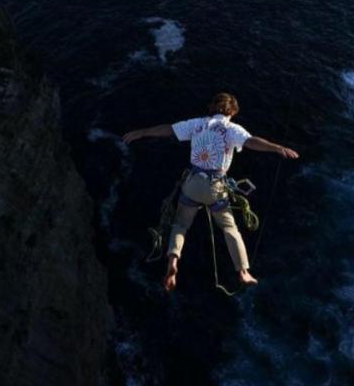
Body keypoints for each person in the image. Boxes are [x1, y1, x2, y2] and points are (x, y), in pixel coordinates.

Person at [123, 92, 299, 292]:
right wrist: (277, 148)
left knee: (180, 225)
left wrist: (142, 132)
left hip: (192, 184)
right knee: (229, 227)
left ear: (212, 108)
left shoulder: (196, 124)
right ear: (232, 112)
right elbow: (251, 142)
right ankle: (243, 271)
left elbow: (168, 130)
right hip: (215, 188)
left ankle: (173, 262)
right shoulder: (232, 129)